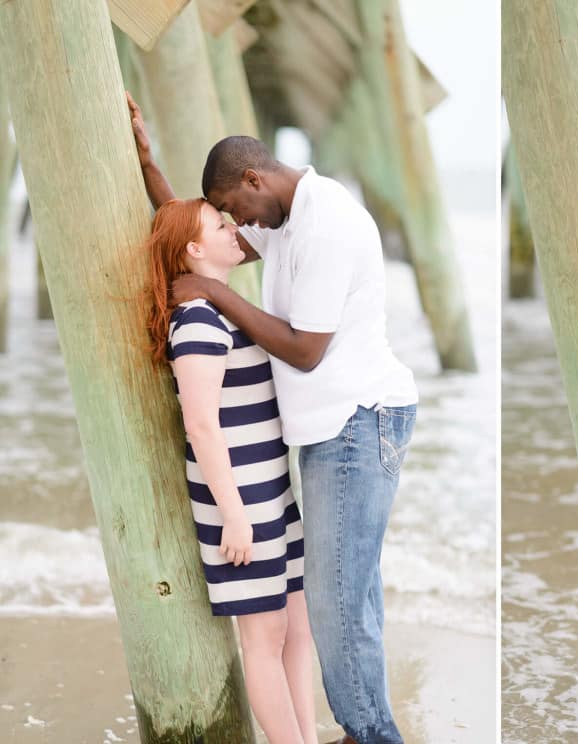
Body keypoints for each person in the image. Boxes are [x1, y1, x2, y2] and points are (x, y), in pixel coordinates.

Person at [128, 93, 417, 744]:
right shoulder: (271, 226)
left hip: (351, 422)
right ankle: (361, 734)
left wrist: (215, 287)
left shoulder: (320, 225)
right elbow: (190, 235)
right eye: (227, 224)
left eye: (236, 212)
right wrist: (146, 167)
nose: (238, 228)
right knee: (336, 604)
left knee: (335, 606)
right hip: (278, 475)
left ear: (256, 183)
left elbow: (305, 350)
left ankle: (362, 734)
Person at [144, 198, 318, 744]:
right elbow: (200, 424)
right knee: (264, 637)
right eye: (220, 225)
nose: (233, 228)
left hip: (272, 493)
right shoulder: (196, 319)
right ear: (195, 250)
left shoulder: (218, 307)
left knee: (297, 629)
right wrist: (234, 518)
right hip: (240, 500)